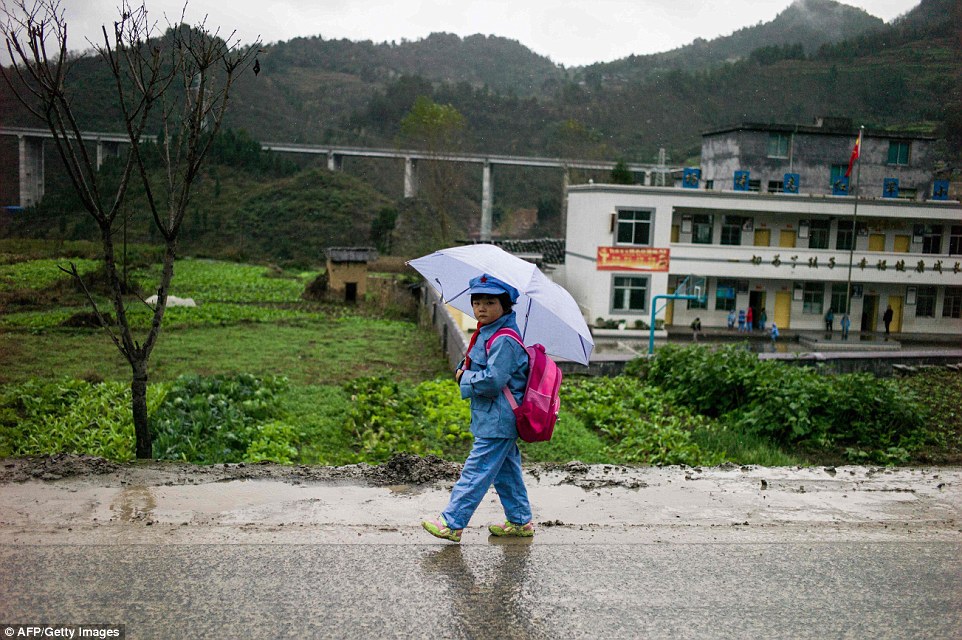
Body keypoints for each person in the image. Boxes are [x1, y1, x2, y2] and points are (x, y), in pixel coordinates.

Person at [422, 274, 533, 543]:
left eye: (490, 302)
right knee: (506, 471)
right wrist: (466, 367)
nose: (481, 308)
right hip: (492, 415)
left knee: (476, 471)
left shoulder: (504, 339)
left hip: (498, 417)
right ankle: (520, 521)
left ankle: (452, 522)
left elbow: (494, 380)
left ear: (505, 306)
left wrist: (465, 377)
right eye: (477, 302)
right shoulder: (488, 333)